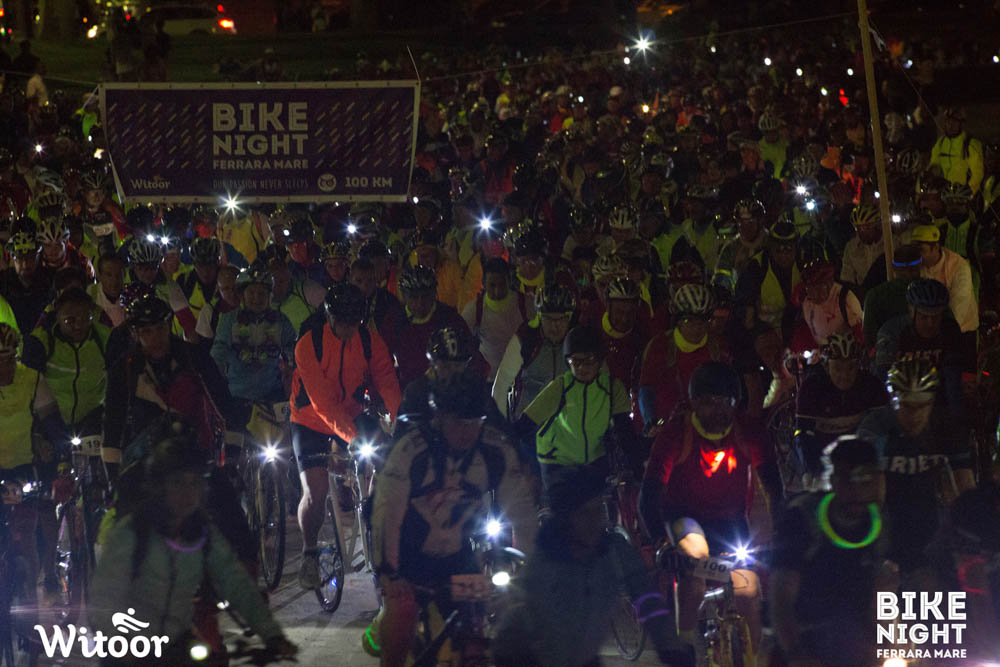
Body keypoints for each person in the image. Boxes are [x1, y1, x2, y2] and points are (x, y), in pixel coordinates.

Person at [371, 370, 535, 667]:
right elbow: (387, 512)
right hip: (408, 554)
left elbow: (521, 511)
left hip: (459, 554)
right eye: (458, 423)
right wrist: (389, 573)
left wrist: (529, 571)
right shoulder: (410, 451)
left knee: (476, 628)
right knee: (403, 613)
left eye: (474, 422)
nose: (467, 431)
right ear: (439, 418)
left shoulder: (495, 450)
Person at [89, 436, 298, 664]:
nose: (188, 492)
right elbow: (105, 595)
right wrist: (119, 640)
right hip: (128, 649)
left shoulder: (201, 533)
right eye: (178, 483)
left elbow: (234, 581)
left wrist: (272, 634)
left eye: (195, 483)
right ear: (160, 486)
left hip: (175, 644)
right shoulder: (133, 533)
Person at [639, 361, 783, 658]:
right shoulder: (676, 434)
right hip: (685, 518)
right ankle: (685, 648)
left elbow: (773, 487)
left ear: (735, 403)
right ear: (693, 403)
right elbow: (648, 496)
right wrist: (662, 543)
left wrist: (780, 532)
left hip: (731, 521)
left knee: (748, 593)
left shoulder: (749, 431)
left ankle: (752, 658)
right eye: (707, 403)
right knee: (695, 569)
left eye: (723, 402)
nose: (716, 411)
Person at [493, 465, 694, 667]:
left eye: (599, 510)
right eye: (584, 514)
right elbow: (534, 630)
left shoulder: (615, 551)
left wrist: (671, 647)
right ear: (566, 520)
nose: (595, 521)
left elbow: (646, 597)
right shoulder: (544, 565)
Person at [289, 282, 401, 589]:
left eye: (354, 323)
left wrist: (401, 421)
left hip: (350, 413)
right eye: (342, 323)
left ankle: (377, 519)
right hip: (309, 419)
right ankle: (309, 553)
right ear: (330, 317)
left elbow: (387, 381)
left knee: (388, 459)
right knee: (315, 491)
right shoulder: (308, 344)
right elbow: (322, 403)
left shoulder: (368, 340)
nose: (349, 330)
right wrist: (352, 438)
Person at [769, 436, 893, 666]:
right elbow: (781, 598)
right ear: (833, 480)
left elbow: (880, 588)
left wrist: (887, 643)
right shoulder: (802, 517)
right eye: (848, 480)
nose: (858, 492)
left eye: (867, 481)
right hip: (805, 636)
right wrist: (796, 653)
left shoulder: (877, 522)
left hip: (856, 639)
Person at [857, 358, 976, 585]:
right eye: (908, 406)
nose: (916, 415)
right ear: (893, 401)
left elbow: (965, 490)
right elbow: (872, 496)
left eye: (924, 405)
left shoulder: (947, 426)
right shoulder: (875, 427)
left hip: (931, 518)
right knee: (883, 586)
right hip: (887, 518)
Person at [0, 323, 68, 602]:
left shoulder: (31, 379)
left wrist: (62, 462)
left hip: (24, 466)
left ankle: (34, 590)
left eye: (9, 361)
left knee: (28, 530)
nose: (5, 369)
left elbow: (54, 425)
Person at [515, 325, 633, 486]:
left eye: (589, 361)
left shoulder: (612, 388)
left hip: (596, 463)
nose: (582, 368)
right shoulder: (561, 387)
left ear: (599, 360)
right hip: (557, 464)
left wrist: (637, 462)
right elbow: (526, 422)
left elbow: (624, 428)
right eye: (576, 362)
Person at [794, 331, 886, 485]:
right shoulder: (811, 388)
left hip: (859, 455)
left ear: (858, 366)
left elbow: (882, 430)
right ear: (827, 366)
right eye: (837, 368)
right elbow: (803, 434)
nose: (844, 375)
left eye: (850, 368)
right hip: (823, 455)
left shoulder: (871, 385)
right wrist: (814, 471)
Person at [875, 278, 971, 415]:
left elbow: (953, 382)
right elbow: (884, 379)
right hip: (901, 401)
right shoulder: (892, 332)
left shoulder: (949, 330)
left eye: (936, 317)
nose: (930, 323)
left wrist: (957, 418)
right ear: (911, 312)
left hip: (936, 402)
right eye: (924, 317)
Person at [639, 283, 725, 431]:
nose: (697, 328)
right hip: (668, 428)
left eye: (702, 321)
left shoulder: (717, 345)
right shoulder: (661, 345)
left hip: (707, 426)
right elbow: (647, 388)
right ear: (678, 320)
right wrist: (650, 420)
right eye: (689, 320)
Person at [22, 287, 110, 432]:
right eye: (70, 320)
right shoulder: (41, 343)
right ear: (57, 317)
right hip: (51, 423)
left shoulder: (105, 338)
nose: (78, 326)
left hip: (93, 422)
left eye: (85, 319)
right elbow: (29, 389)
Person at [210, 262, 296, 405]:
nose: (256, 298)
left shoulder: (281, 321)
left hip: (273, 394)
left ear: (269, 296)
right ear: (242, 295)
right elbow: (218, 353)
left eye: (261, 293)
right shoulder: (229, 319)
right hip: (237, 396)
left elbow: (293, 351)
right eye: (251, 293)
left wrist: (288, 368)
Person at [381, 264, 471, 390]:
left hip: (446, 392)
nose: (420, 303)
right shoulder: (394, 321)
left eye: (425, 296)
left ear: (434, 293)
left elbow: (472, 358)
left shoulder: (449, 318)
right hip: (409, 392)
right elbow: (381, 363)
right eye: (413, 297)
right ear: (404, 296)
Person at [492, 284, 576, 420]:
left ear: (570, 318)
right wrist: (502, 426)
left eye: (561, 319)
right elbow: (501, 386)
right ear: (539, 317)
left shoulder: (576, 343)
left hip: (565, 427)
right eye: (549, 319)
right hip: (527, 425)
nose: (555, 326)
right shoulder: (525, 340)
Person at [461, 257, 527, 382]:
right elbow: (460, 338)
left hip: (521, 379)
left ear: (509, 281)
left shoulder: (525, 304)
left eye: (502, 285)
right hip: (491, 380)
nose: (497, 291)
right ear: (484, 283)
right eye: (492, 285)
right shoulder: (474, 310)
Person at [911, 224, 978, 333]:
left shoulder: (958, 266)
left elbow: (959, 305)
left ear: (935, 247)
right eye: (914, 250)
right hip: (930, 330)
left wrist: (942, 331)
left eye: (921, 250)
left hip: (962, 328)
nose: (916, 254)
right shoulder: (916, 265)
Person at [862, 243, 922, 345]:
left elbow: (869, 339)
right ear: (920, 265)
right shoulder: (933, 291)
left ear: (894, 267)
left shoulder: (875, 296)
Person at [0, 228, 53, 332]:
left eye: (30, 257)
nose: (25, 264)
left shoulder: (49, 279)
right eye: (20, 258)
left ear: (38, 258)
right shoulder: (3, 281)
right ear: (13, 259)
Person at [929, 106, 984, 194]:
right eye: (948, 122)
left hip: (963, 194)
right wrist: (933, 170)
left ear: (961, 125)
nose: (951, 126)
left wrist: (969, 190)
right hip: (944, 192)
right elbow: (934, 162)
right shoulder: (941, 143)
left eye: (955, 123)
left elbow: (978, 172)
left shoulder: (970, 144)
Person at [839, 204, 888, 298]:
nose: (862, 232)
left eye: (867, 227)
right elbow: (847, 277)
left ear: (877, 226)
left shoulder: (891, 242)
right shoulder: (851, 247)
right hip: (864, 295)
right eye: (859, 228)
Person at [194, 264, 240, 343]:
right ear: (219, 289)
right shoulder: (209, 311)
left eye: (236, 287)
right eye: (226, 289)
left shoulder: (252, 305)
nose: (232, 293)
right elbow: (203, 344)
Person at [88, 253, 127, 328]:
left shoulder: (132, 295)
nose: (114, 280)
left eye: (118, 275)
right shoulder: (90, 294)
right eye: (108, 275)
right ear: (100, 276)